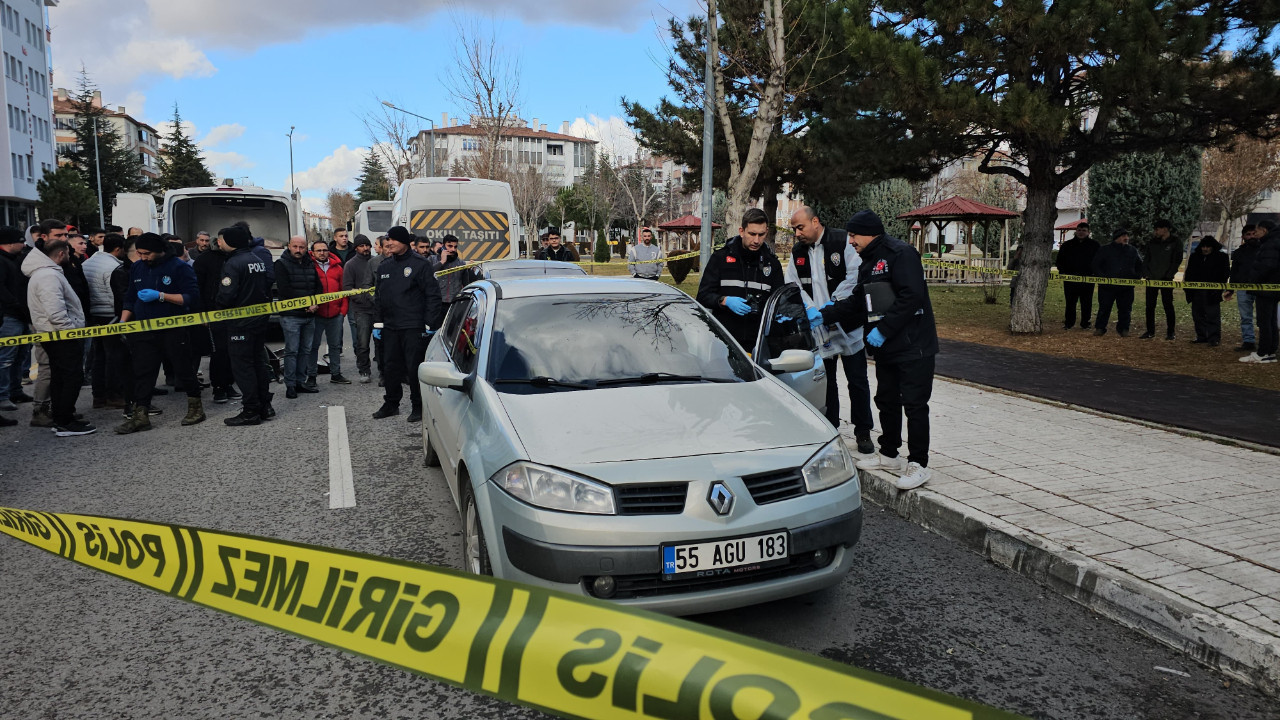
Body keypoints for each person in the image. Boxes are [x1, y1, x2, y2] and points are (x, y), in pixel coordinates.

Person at [820, 210, 937, 491]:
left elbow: (912, 296)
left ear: (869, 232)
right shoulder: (867, 262)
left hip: (913, 345)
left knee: (914, 404)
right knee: (886, 399)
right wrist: (824, 314)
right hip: (887, 347)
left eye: (853, 235)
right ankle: (889, 454)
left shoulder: (901, 253)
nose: (850, 242)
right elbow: (859, 302)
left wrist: (884, 330)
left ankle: (918, 463)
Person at [786, 206, 874, 453]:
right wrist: (813, 309)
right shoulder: (798, 252)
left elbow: (856, 276)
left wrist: (832, 305)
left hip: (847, 321)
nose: (797, 234)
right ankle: (831, 428)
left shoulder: (842, 241)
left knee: (857, 380)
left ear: (815, 221)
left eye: (800, 227)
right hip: (819, 326)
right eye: (794, 229)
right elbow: (793, 284)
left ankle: (863, 431)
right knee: (828, 381)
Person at [115, 233, 205, 433]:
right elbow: (130, 297)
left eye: (147, 253)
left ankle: (196, 408)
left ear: (159, 251)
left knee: (183, 369)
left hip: (173, 328)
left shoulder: (178, 267)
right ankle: (141, 415)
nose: (143, 257)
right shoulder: (138, 267)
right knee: (143, 372)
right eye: (139, 253)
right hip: (144, 329)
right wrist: (123, 321)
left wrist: (162, 296)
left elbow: (190, 297)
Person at [372, 225, 445, 422]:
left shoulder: (420, 264)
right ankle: (391, 404)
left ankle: (418, 406)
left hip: (413, 326)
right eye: (387, 240)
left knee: (414, 369)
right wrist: (377, 324)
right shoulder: (384, 266)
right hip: (390, 327)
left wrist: (430, 323)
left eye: (393, 240)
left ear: (404, 242)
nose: (389, 243)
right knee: (390, 367)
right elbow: (378, 297)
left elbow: (432, 295)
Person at [22, 240, 94, 436]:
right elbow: (56, 312)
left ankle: (62, 416)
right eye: (68, 254)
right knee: (71, 376)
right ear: (61, 254)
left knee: (61, 376)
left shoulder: (45, 273)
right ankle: (65, 421)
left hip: (53, 333)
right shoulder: (48, 276)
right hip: (60, 335)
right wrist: (70, 332)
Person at [696, 208, 785, 351]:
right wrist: (724, 300)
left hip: (759, 343)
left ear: (766, 232)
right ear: (741, 231)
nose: (756, 240)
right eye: (752, 234)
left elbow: (780, 302)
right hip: (725, 341)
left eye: (761, 235)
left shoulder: (772, 264)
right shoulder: (721, 258)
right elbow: (703, 296)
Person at [216, 225, 275, 425]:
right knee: (258, 364)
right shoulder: (256, 259)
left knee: (243, 367)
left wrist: (218, 306)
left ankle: (251, 411)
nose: (220, 243)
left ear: (231, 242)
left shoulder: (233, 263)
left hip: (240, 323)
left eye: (222, 240)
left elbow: (227, 295)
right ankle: (264, 405)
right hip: (258, 320)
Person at [82, 233, 129, 408]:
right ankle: (113, 394)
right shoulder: (114, 267)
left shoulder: (88, 263)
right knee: (114, 356)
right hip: (110, 315)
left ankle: (98, 395)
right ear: (118, 249)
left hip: (93, 315)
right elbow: (114, 295)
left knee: (99, 356)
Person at [192, 233, 239, 404]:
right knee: (218, 352)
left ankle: (228, 384)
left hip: (232, 312)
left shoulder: (232, 259)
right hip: (213, 312)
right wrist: (202, 312)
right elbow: (197, 288)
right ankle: (219, 387)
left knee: (230, 352)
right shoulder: (204, 261)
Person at [275, 236, 322, 398]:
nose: (298, 250)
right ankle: (290, 385)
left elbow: (318, 286)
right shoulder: (281, 264)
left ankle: (300, 382)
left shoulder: (310, 263)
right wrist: (305, 305)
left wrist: (315, 303)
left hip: (310, 315)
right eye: (295, 247)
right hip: (291, 316)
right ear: (289, 246)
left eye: (301, 247)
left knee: (305, 350)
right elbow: (285, 290)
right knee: (292, 351)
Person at [309, 239, 350, 385]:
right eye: (318, 250)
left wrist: (342, 311)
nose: (322, 253)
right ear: (313, 253)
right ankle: (312, 376)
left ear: (329, 251)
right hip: (316, 314)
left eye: (324, 250)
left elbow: (343, 290)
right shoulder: (309, 266)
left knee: (334, 346)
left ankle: (336, 374)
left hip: (335, 314)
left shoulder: (338, 268)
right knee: (313, 346)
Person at [0, 226, 30, 423]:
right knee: (6, 358)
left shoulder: (13, 260)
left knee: (20, 355)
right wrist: (16, 306)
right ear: (10, 243)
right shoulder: (2, 262)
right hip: (9, 316)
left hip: (18, 315)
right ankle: (3, 396)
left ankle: (15, 390)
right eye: (21, 241)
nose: (24, 244)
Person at [1091, 229, 1143, 337]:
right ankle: (1100, 328)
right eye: (1123, 236)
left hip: (1126, 287)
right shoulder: (1105, 250)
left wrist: (1136, 276)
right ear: (1116, 237)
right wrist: (1102, 278)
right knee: (1104, 308)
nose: (1126, 238)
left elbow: (1140, 266)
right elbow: (1096, 265)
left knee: (1125, 309)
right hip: (1107, 287)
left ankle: (1124, 329)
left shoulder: (1132, 250)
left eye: (1127, 236)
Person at [1242, 220, 1280, 364]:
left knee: (1264, 321)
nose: (1255, 233)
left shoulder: (1270, 244)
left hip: (1266, 288)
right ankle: (1270, 352)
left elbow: (1267, 265)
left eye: (1257, 230)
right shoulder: (1274, 242)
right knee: (1271, 321)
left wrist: (1253, 280)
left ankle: (1263, 352)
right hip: (1273, 288)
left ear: (1264, 230)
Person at [1140, 219, 1183, 340]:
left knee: (1168, 305)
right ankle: (1150, 331)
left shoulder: (1175, 242)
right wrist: (1146, 273)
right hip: (1151, 279)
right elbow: (1146, 259)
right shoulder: (1152, 242)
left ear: (1165, 229)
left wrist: (1169, 274)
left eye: (1157, 229)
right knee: (1149, 306)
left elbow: (1177, 260)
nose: (1155, 232)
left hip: (1166, 279)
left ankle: (1171, 332)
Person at [1182, 235, 1229, 346]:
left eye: (1208, 246)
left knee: (1213, 315)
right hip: (1196, 291)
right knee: (1197, 316)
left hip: (1212, 291)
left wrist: (1219, 288)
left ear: (1212, 247)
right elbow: (1189, 273)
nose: (1205, 249)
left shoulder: (1221, 257)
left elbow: (1225, 273)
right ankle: (1201, 336)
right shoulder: (1195, 257)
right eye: (1203, 246)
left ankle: (1214, 338)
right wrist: (1188, 288)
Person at [342, 234, 376, 383]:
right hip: (361, 309)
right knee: (362, 343)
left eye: (367, 245)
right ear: (356, 248)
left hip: (378, 308)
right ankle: (364, 370)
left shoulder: (376, 261)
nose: (365, 248)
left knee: (382, 343)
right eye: (362, 246)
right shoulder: (350, 265)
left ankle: (383, 371)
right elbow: (348, 288)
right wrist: (365, 299)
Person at [1055, 222, 1099, 329]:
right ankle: (1069, 323)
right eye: (1079, 230)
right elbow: (1059, 260)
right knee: (1070, 302)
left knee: (1086, 302)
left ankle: (1085, 323)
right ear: (1076, 231)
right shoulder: (1067, 245)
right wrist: (1063, 271)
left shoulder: (1095, 245)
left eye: (1084, 230)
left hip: (1088, 279)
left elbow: (1100, 261)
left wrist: (1095, 273)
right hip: (1070, 279)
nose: (1081, 232)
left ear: (1088, 232)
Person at [1226, 224, 1261, 352]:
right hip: (1242, 288)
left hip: (1261, 288)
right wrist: (1230, 289)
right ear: (1243, 237)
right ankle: (1248, 341)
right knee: (1246, 316)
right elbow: (1234, 272)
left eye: (1253, 233)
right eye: (1248, 234)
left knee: (1263, 317)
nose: (1251, 236)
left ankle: (1265, 341)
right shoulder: (1239, 252)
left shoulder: (1264, 250)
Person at [432, 234, 475, 307]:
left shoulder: (461, 263)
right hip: (435, 303)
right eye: (450, 246)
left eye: (455, 247)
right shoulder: (432, 259)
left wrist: (470, 270)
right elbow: (427, 274)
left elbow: (466, 286)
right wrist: (442, 262)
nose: (453, 249)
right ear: (443, 246)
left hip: (454, 304)